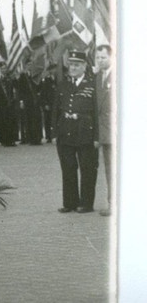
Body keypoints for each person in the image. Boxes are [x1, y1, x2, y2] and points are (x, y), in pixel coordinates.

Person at [55, 50, 98, 213]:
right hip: (65, 132)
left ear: (84, 66)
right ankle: (70, 203)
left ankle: (86, 203)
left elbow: (96, 112)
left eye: (77, 65)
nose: (73, 68)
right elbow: (56, 109)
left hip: (85, 132)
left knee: (87, 168)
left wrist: (97, 136)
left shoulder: (92, 84)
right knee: (68, 168)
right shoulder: (63, 84)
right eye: (71, 64)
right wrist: (54, 132)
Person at [94, 42, 113, 216]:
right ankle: (112, 204)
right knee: (109, 169)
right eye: (98, 57)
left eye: (103, 57)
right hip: (105, 134)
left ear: (111, 57)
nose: (100, 60)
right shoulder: (98, 78)